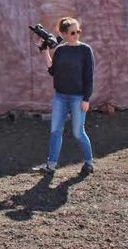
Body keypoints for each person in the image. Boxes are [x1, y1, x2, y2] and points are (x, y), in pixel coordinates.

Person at [35, 16, 94, 176]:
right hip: (60, 96)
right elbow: (52, 71)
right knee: (55, 131)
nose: (77, 35)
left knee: (77, 132)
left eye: (78, 31)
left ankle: (89, 162)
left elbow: (89, 77)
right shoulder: (60, 50)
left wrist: (86, 99)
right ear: (64, 34)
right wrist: (45, 51)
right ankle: (51, 165)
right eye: (73, 32)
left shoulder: (85, 50)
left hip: (78, 97)